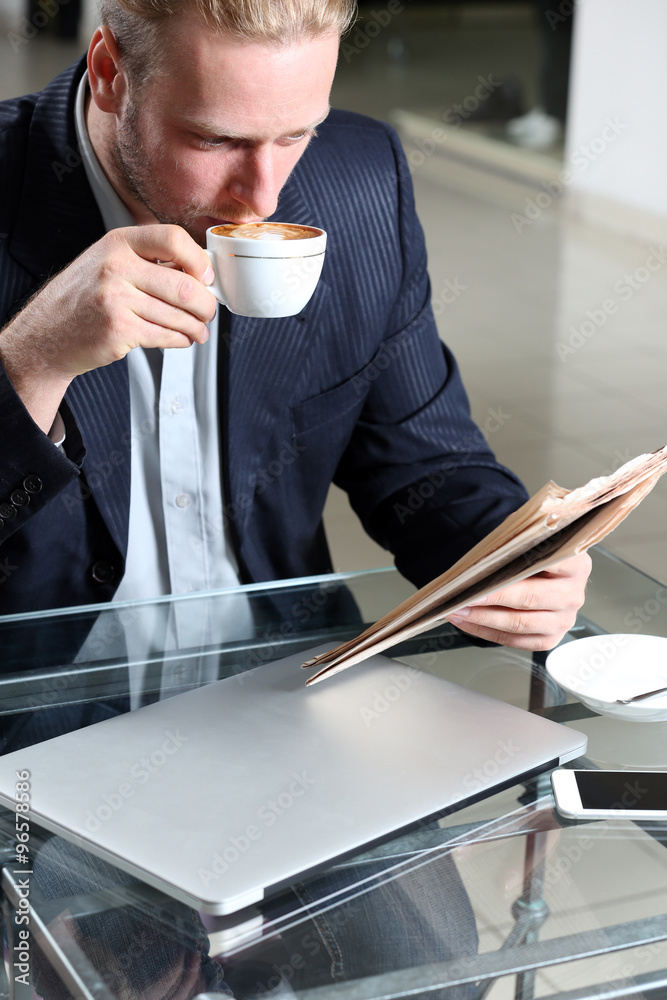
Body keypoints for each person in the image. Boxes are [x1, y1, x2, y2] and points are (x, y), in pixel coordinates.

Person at [0, 0, 590, 647]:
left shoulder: (360, 179)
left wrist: (509, 554)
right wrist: (31, 361)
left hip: (282, 681)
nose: (263, 196)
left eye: (294, 134)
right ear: (111, 71)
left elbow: (424, 463)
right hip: (38, 720)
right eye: (216, 139)